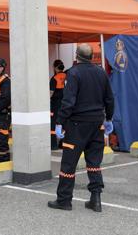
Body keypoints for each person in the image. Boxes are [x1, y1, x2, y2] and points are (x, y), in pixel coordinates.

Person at [48, 44, 115, 212]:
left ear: (77, 56)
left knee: (69, 164)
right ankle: (96, 199)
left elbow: (68, 102)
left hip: (77, 125)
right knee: (94, 162)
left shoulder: (74, 73)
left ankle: (64, 200)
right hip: (97, 124)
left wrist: (59, 122)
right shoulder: (101, 73)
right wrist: (108, 118)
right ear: (92, 56)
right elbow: (110, 98)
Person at [50, 59, 67, 150]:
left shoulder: (54, 78)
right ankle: (63, 143)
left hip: (55, 104)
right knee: (63, 123)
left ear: (55, 68)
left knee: (53, 124)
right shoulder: (67, 76)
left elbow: (51, 93)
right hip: (66, 103)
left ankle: (53, 145)